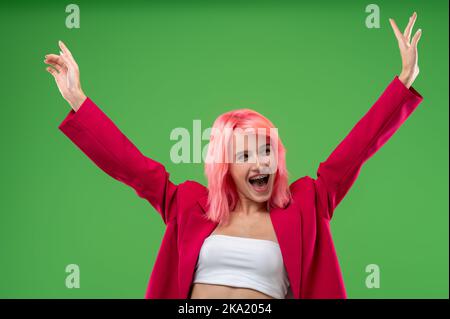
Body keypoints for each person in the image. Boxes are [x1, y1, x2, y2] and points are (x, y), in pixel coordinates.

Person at [44, 13, 423, 299]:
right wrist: (79, 100)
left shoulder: (306, 204)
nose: (260, 162)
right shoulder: (190, 204)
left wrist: (403, 80)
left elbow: (354, 152)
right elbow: (132, 167)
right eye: (245, 154)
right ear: (226, 167)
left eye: (266, 150)